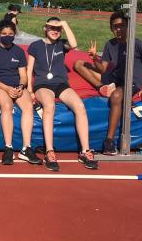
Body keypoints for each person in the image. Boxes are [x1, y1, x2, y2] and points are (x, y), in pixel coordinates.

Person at [73, 11, 142, 155]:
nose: (118, 29)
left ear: (127, 26)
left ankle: (109, 140)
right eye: (115, 26)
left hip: (131, 82)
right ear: (111, 28)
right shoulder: (110, 44)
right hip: (113, 79)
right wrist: (94, 57)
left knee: (116, 96)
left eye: (121, 25)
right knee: (78, 64)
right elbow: (102, 69)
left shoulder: (136, 43)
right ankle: (102, 87)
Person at [27, 17, 98, 171]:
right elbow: (29, 69)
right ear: (45, 28)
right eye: (51, 28)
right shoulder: (35, 45)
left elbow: (74, 44)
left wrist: (64, 24)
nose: (55, 31)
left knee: (80, 106)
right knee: (49, 105)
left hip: (61, 84)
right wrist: (29, 90)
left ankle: (85, 151)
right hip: (43, 84)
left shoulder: (62, 44)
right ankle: (49, 151)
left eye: (58, 29)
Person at [0, 19, 41, 166]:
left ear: (15, 34)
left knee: (28, 106)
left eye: (10, 34)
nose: (7, 36)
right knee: (7, 105)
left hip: (16, 85)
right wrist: (6, 88)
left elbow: (23, 75)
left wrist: (21, 86)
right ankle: (8, 147)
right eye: (4, 33)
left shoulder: (18, 51)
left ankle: (26, 148)